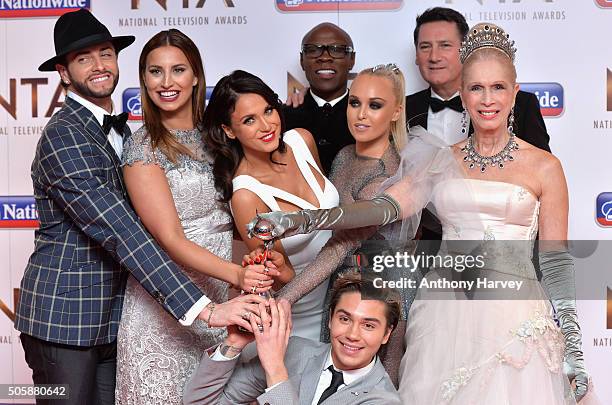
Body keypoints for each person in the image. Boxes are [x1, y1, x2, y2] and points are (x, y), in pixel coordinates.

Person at [248, 23, 596, 404]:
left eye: (498, 87)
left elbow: (557, 262)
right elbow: (380, 209)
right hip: (444, 313)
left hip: (515, 314)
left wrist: (574, 351)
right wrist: (300, 220)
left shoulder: (545, 167)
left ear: (515, 92)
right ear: (462, 93)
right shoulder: (440, 158)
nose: (487, 99)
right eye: (476, 87)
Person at [15, 11, 264, 405]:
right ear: (64, 73)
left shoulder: (118, 130)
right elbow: (122, 231)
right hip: (62, 321)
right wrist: (206, 310)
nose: (99, 66)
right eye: (83, 59)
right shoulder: (64, 136)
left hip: (114, 316)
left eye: (105, 53)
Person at [114, 30, 281, 404]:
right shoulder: (144, 146)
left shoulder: (218, 135)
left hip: (223, 296)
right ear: (143, 79)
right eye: (155, 71)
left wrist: (252, 265)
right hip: (164, 305)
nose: (167, 82)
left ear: (195, 76)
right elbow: (170, 239)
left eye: (178, 70)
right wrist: (238, 273)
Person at [274, 63, 420, 384]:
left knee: (378, 383)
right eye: (355, 103)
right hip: (343, 278)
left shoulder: (386, 175)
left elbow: (340, 242)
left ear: (396, 112)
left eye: (375, 105)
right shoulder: (344, 155)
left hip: (385, 291)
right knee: (330, 382)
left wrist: (285, 297)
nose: (361, 115)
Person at [203, 70, 339, 342]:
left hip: (344, 294)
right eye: (249, 120)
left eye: (268, 110)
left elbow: (331, 217)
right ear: (229, 130)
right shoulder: (245, 195)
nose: (266, 126)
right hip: (301, 313)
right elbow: (281, 277)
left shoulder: (302, 140)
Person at [183, 272, 402, 405]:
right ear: (330, 320)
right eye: (344, 319)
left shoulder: (383, 399)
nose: (353, 335)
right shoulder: (293, 351)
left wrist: (276, 369)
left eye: (368, 325)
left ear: (386, 334)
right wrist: (234, 343)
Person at [407, 7, 550, 151]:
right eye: (425, 47)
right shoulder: (401, 109)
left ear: (465, 52)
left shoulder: (522, 105)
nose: (434, 57)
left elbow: (541, 166)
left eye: (445, 45)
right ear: (416, 55)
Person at [283, 22, 356, 174]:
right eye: (313, 50)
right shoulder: (282, 117)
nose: (324, 58)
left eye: (337, 50)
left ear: (352, 60)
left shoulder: (367, 116)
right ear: (302, 60)